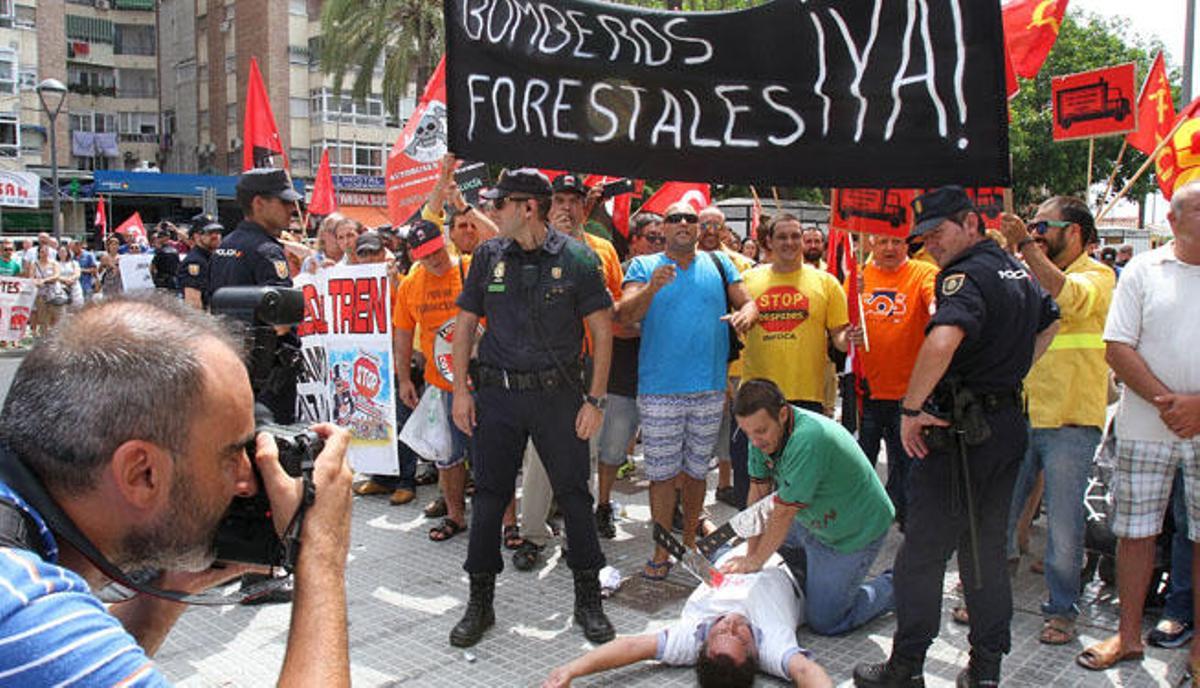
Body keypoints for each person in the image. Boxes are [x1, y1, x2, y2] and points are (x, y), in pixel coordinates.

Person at [0, 294, 353, 686]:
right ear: (143, 473)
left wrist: (170, 588)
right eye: (233, 454)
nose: (248, 480)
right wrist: (321, 554)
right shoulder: (23, 615)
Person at [853, 186, 1059, 688]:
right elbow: (1052, 319)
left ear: (971, 223)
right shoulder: (1015, 270)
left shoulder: (964, 276)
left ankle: (906, 668)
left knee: (921, 556)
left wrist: (910, 408)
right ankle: (986, 671)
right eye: (922, 238)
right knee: (984, 553)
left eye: (938, 233)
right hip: (1004, 424)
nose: (931, 246)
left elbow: (943, 337)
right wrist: (1007, 376)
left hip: (959, 433)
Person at [448, 168, 616, 647]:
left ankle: (588, 598)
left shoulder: (579, 260)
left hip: (557, 397)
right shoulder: (486, 256)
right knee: (488, 500)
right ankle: (480, 601)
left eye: (501, 203)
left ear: (528, 208)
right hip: (497, 397)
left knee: (576, 498)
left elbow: (602, 333)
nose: (493, 211)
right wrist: (461, 390)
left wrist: (595, 400)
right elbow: (464, 324)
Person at [1079, 181, 1200, 681]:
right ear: (1172, 220)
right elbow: (1118, 347)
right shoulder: (1143, 271)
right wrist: (1170, 405)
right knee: (1135, 534)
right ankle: (1128, 637)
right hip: (1145, 427)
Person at [994, 197, 1114, 645]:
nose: (1038, 232)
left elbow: (1069, 295)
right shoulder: (1028, 272)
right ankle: (991, 598)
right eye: (1034, 227)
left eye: (1045, 226)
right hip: (1021, 413)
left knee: (1064, 527)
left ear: (1075, 232)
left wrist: (1025, 244)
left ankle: (1063, 610)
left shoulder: (1098, 276)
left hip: (1071, 422)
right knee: (1001, 514)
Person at [619, 201, 757, 581]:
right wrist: (651, 288)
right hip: (660, 390)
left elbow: (748, 301)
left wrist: (747, 313)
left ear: (700, 227)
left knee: (697, 473)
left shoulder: (719, 264)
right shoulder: (643, 266)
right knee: (662, 476)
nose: (682, 223)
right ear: (662, 227)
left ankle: (692, 544)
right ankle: (661, 551)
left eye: (689, 219)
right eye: (674, 218)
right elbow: (623, 314)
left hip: (709, 388)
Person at [514, 172, 624, 569]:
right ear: (546, 206)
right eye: (559, 200)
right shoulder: (528, 246)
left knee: (583, 454)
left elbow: (613, 310)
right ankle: (532, 535)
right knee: (539, 457)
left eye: (574, 200)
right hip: (542, 368)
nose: (566, 207)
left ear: (585, 206)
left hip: (587, 366)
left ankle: (579, 537)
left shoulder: (603, 250)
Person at [727, 378, 896, 635]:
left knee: (827, 621)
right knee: (740, 547)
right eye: (747, 432)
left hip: (852, 531)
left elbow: (782, 513)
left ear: (782, 414)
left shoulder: (809, 437)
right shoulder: (758, 434)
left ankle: (898, 584)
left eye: (760, 431)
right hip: (808, 518)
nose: (755, 441)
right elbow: (758, 495)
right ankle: (811, 571)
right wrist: (752, 556)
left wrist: (757, 560)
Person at [543, 547, 832, 688]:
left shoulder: (690, 637)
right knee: (835, 617)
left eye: (721, 633)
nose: (730, 624)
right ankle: (880, 587)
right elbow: (807, 673)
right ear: (754, 653)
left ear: (703, 646)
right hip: (791, 561)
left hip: (729, 554)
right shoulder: (774, 647)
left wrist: (571, 670)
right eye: (738, 635)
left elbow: (632, 647)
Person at [847, 233, 938, 528]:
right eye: (882, 241)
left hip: (910, 396)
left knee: (909, 465)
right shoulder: (858, 277)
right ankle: (861, 519)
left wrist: (939, 308)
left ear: (907, 245)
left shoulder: (924, 273)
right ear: (871, 243)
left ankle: (911, 526)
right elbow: (843, 327)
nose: (889, 248)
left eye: (896, 242)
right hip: (869, 391)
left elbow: (935, 301)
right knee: (862, 464)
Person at [209, 168, 302, 424]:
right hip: (269, 375)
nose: (292, 209)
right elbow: (281, 322)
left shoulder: (225, 246)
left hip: (233, 369)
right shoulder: (266, 251)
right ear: (259, 203)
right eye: (284, 202)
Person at [741, 215, 849, 413]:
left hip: (807, 394)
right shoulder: (746, 280)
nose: (789, 242)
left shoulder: (827, 283)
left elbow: (839, 337)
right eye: (782, 237)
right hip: (757, 392)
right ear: (769, 242)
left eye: (795, 236)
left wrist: (850, 338)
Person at [178, 214, 223, 310]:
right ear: (196, 236)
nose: (216, 236)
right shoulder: (195, 262)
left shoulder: (212, 258)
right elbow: (193, 304)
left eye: (218, 231)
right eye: (209, 232)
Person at [25, 242, 62, 337]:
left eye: (46, 251)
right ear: (38, 253)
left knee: (55, 316)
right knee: (42, 318)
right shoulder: (34, 264)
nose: (44, 253)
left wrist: (44, 280)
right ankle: (44, 337)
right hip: (40, 294)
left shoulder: (54, 263)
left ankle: (55, 337)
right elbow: (31, 277)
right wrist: (36, 282)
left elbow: (57, 276)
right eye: (42, 252)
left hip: (54, 294)